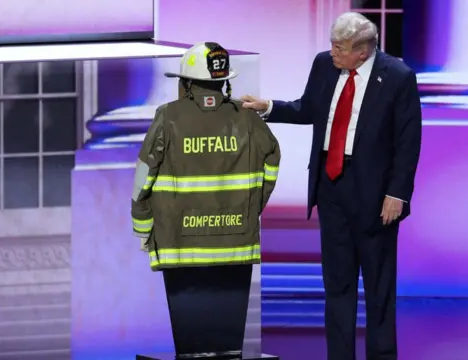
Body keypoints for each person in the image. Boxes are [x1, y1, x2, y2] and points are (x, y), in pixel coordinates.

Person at [241, 12, 422, 360]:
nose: (333, 52)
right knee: (336, 284)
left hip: (375, 194)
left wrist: (397, 194)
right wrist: (269, 107)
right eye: (332, 45)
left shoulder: (398, 77)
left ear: (364, 51)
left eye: (341, 48)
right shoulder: (325, 65)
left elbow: (408, 141)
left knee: (378, 287)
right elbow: (308, 108)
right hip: (331, 186)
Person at [131, 42, 281, 270]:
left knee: (186, 307)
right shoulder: (249, 119)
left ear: (188, 83)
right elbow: (272, 162)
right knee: (231, 307)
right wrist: (250, 208)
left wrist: (143, 228)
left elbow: (143, 175)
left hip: (178, 248)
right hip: (236, 246)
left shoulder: (167, 117)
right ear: (225, 82)